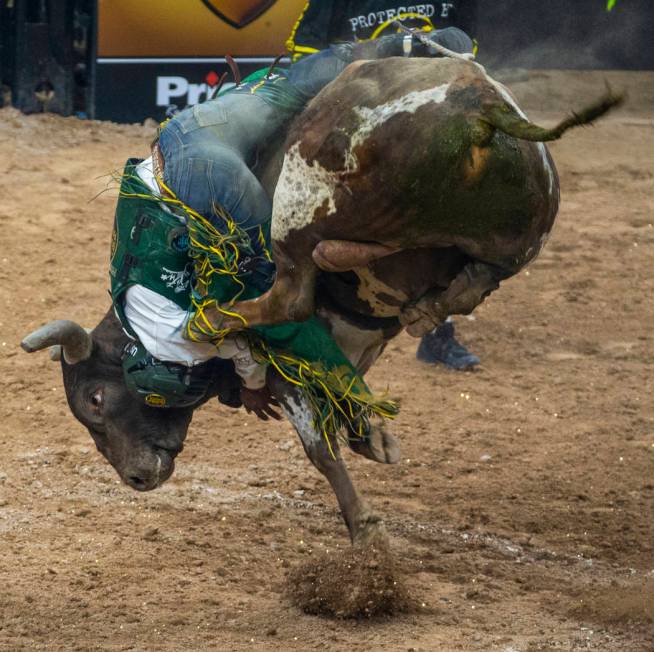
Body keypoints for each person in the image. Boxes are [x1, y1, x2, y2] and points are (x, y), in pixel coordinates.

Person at [110, 27, 475, 462]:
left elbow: (252, 340)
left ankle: (386, 251)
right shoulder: (124, 299)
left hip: (211, 181)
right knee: (282, 91)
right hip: (183, 135)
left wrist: (255, 386)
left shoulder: (193, 341)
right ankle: (395, 48)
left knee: (282, 283)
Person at [287, 1, 481, 371]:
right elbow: (304, 63)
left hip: (437, 117)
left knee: (453, 215)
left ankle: (439, 330)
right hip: (361, 118)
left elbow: (466, 49)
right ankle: (294, 303)